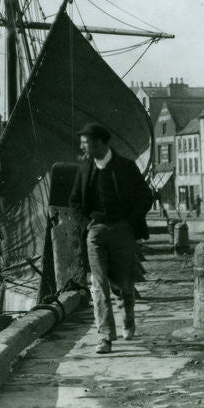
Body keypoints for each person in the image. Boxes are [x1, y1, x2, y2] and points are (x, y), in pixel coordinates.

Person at [69, 122, 154, 354]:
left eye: (85, 143)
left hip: (122, 231)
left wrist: (129, 222)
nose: (82, 147)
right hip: (95, 233)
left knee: (124, 284)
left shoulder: (126, 167)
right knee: (99, 285)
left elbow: (146, 197)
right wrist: (86, 224)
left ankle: (127, 320)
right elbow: (74, 202)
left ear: (99, 143)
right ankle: (105, 337)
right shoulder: (84, 169)